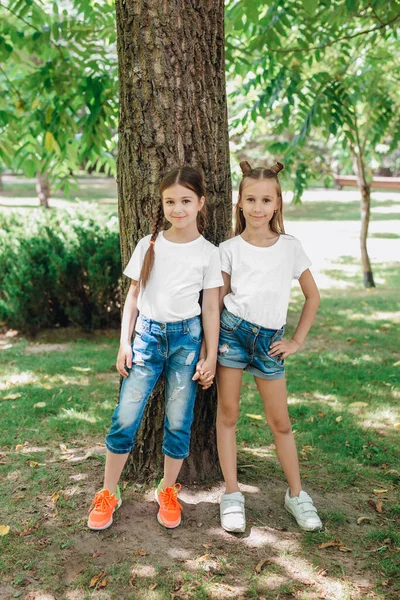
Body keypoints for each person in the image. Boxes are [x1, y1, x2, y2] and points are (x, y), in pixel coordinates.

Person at [88, 166, 221, 531]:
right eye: (170, 202)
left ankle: (167, 489)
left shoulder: (209, 253)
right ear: (162, 204)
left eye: (185, 201)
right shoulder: (149, 244)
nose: (178, 209)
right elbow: (132, 298)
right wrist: (123, 344)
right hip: (145, 339)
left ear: (200, 203)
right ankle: (108, 492)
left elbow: (210, 307)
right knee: (126, 418)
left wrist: (209, 355)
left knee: (178, 420)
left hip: (186, 342)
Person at [216, 160, 322, 533]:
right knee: (228, 415)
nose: (257, 207)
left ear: (277, 204)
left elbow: (313, 297)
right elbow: (217, 302)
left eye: (265, 200)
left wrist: (295, 340)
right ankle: (231, 493)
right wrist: (209, 349)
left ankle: (296, 493)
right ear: (239, 204)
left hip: (269, 343)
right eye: (250, 199)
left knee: (280, 422)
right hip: (232, 335)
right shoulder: (228, 249)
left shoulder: (290, 248)